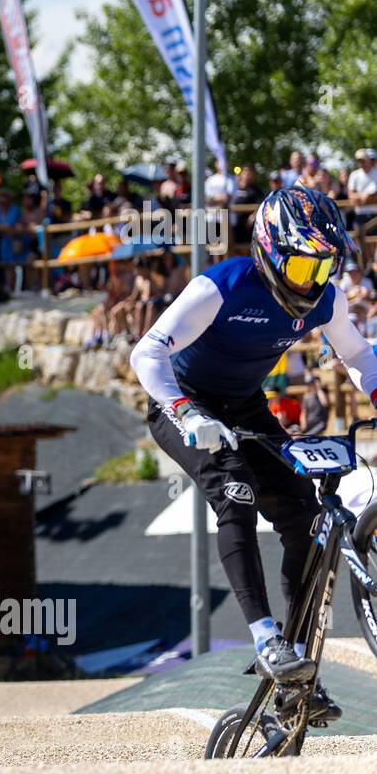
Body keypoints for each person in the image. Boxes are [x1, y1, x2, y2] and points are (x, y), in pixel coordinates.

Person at [130, 186, 377, 720]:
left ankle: (297, 670)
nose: (315, 282)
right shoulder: (222, 287)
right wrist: (188, 412)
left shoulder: (325, 300)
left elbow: (358, 354)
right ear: (268, 250)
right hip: (182, 404)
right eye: (304, 267)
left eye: (325, 268)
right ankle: (264, 638)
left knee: (306, 520)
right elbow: (145, 351)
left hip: (243, 406)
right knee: (234, 490)